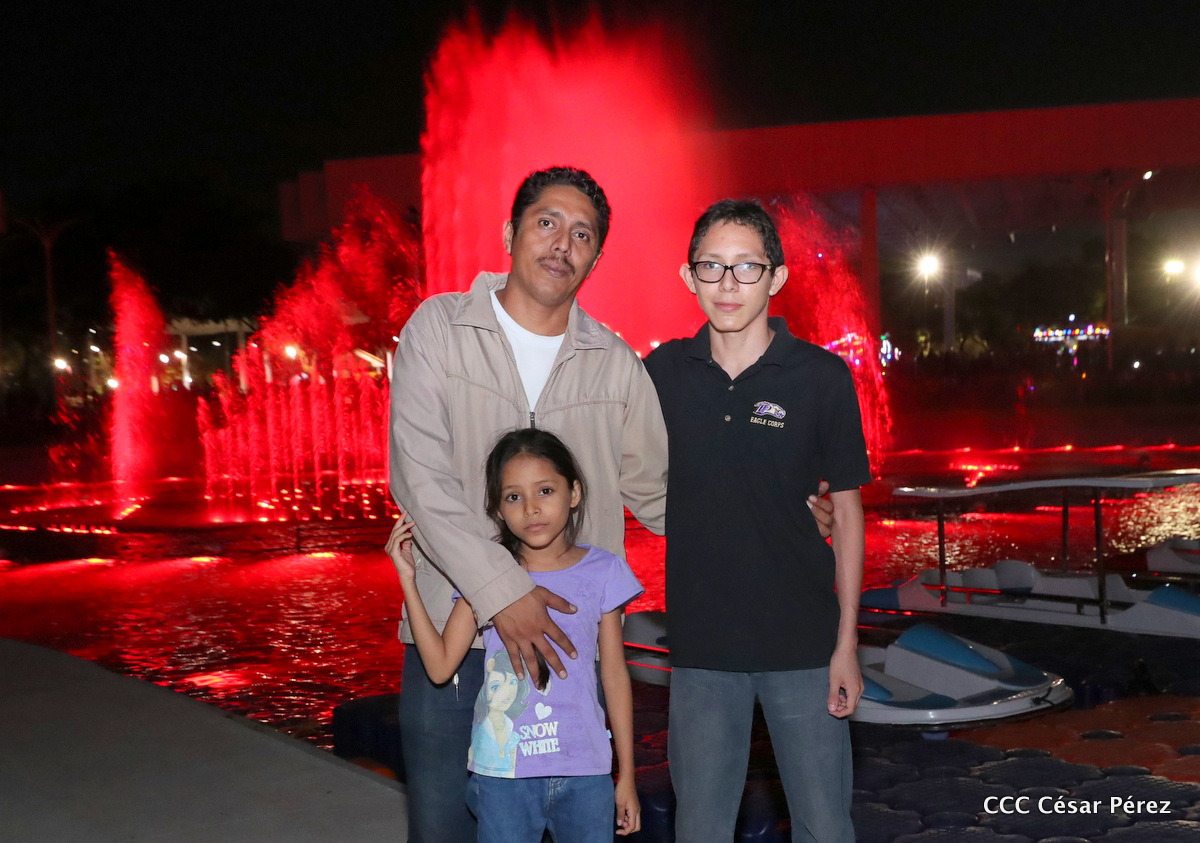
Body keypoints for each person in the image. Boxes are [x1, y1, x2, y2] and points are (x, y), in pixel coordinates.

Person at [387, 166, 668, 842]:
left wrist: (778, 512)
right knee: (442, 830)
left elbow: (665, 493)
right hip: (456, 648)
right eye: (547, 222)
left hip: (565, 656)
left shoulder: (615, 363)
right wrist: (502, 591)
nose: (562, 243)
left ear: (595, 258)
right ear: (510, 233)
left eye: (583, 234)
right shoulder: (440, 329)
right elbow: (420, 478)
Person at [642, 199, 871, 843]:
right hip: (703, 651)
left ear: (777, 277)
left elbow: (848, 514)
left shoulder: (821, 378)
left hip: (804, 646)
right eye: (711, 266)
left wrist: (846, 645)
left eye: (747, 267)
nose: (728, 284)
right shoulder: (660, 375)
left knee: (825, 827)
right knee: (701, 828)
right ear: (688, 276)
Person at [387, 428, 643, 840]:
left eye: (545, 490)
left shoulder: (604, 570)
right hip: (503, 773)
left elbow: (613, 675)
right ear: (498, 510)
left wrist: (626, 774)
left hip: (585, 769)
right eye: (513, 497)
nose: (531, 508)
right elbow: (439, 667)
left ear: (574, 493)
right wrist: (408, 581)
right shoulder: (490, 577)